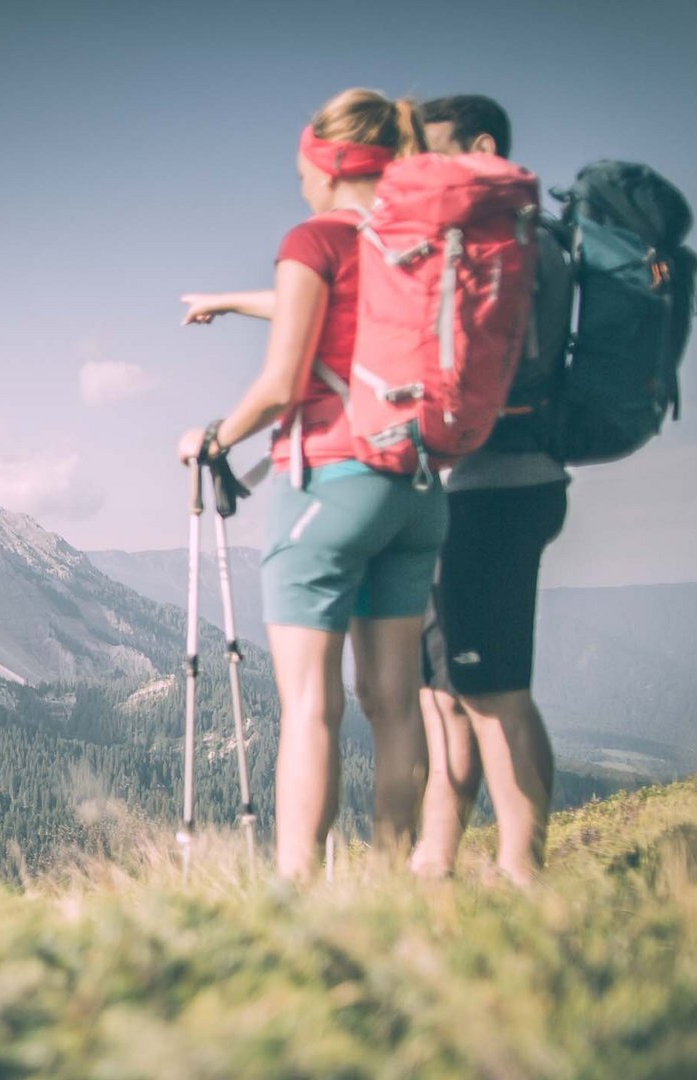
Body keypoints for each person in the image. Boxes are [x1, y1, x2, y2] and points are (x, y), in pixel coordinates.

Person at [177, 88, 441, 880]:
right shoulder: (421, 243)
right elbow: (341, 314)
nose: (299, 187)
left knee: (311, 709)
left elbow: (283, 383)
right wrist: (229, 300)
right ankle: (396, 883)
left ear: (329, 165)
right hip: (417, 486)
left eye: (303, 171)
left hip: (326, 481)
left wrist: (214, 438)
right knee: (395, 704)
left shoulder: (314, 237)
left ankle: (298, 895)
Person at [407, 95, 571, 885]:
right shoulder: (528, 241)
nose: (425, 170)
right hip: (495, 484)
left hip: (493, 484)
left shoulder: (504, 245)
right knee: (447, 691)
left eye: (434, 153)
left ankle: (522, 872)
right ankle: (433, 865)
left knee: (490, 687)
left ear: (479, 146)